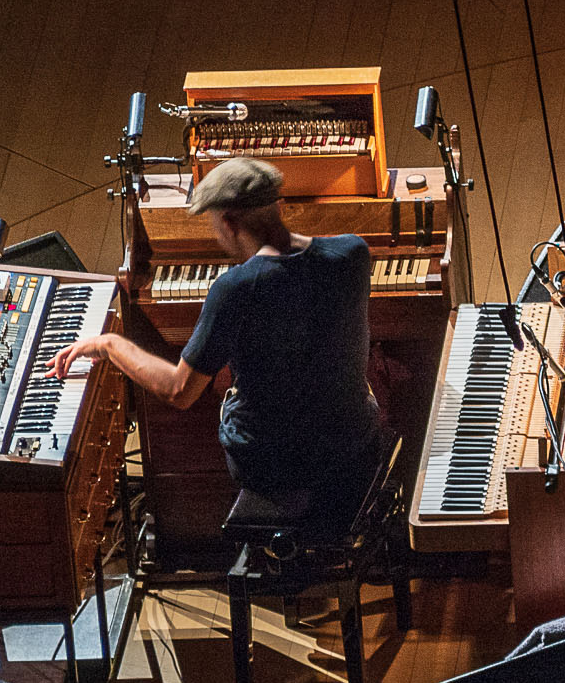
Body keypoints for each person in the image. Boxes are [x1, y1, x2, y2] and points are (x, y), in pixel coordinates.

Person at [47, 156, 381, 502]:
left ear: (229, 222)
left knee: (220, 395)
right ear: (279, 206)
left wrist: (110, 344)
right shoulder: (352, 253)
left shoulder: (236, 287)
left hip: (275, 466)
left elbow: (180, 392)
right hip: (354, 446)